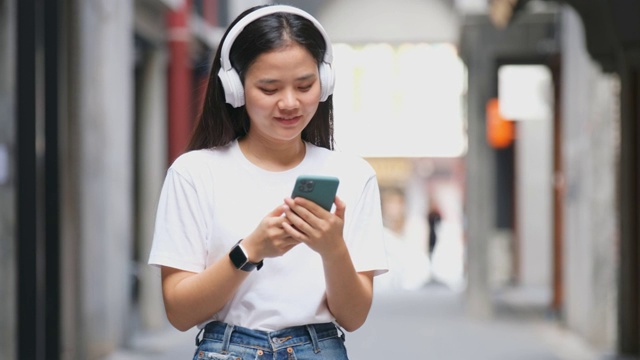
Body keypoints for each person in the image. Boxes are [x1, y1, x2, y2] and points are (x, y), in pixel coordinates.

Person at [148, 5, 388, 359]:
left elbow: (352, 318)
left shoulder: (354, 175)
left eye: (305, 85)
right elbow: (180, 313)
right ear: (235, 88)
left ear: (325, 83)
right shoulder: (194, 173)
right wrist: (250, 251)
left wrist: (332, 248)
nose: (290, 103)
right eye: (269, 88)